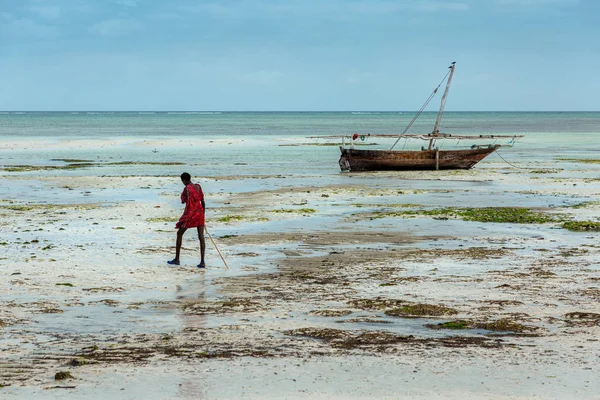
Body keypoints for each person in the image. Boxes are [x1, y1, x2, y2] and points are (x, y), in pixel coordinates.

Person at [167, 172, 206, 268]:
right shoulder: (198, 187)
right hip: (200, 213)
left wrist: (185, 217)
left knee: (179, 233)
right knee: (201, 236)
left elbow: (186, 203)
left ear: (184, 180)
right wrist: (203, 215)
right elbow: (203, 201)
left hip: (192, 214)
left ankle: (177, 259)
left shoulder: (187, 189)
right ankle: (202, 262)